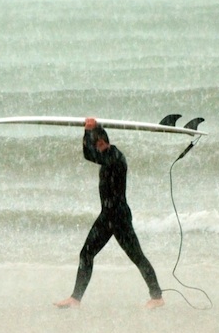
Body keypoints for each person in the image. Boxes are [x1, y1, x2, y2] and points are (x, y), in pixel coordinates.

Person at [55, 117, 164, 309]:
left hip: (119, 216)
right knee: (86, 254)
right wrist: (89, 130)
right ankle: (75, 299)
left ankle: (157, 297)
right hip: (108, 215)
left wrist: (88, 131)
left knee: (137, 256)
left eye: (96, 145)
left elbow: (88, 155)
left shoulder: (115, 156)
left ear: (101, 142)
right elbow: (90, 154)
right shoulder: (106, 156)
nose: (95, 149)